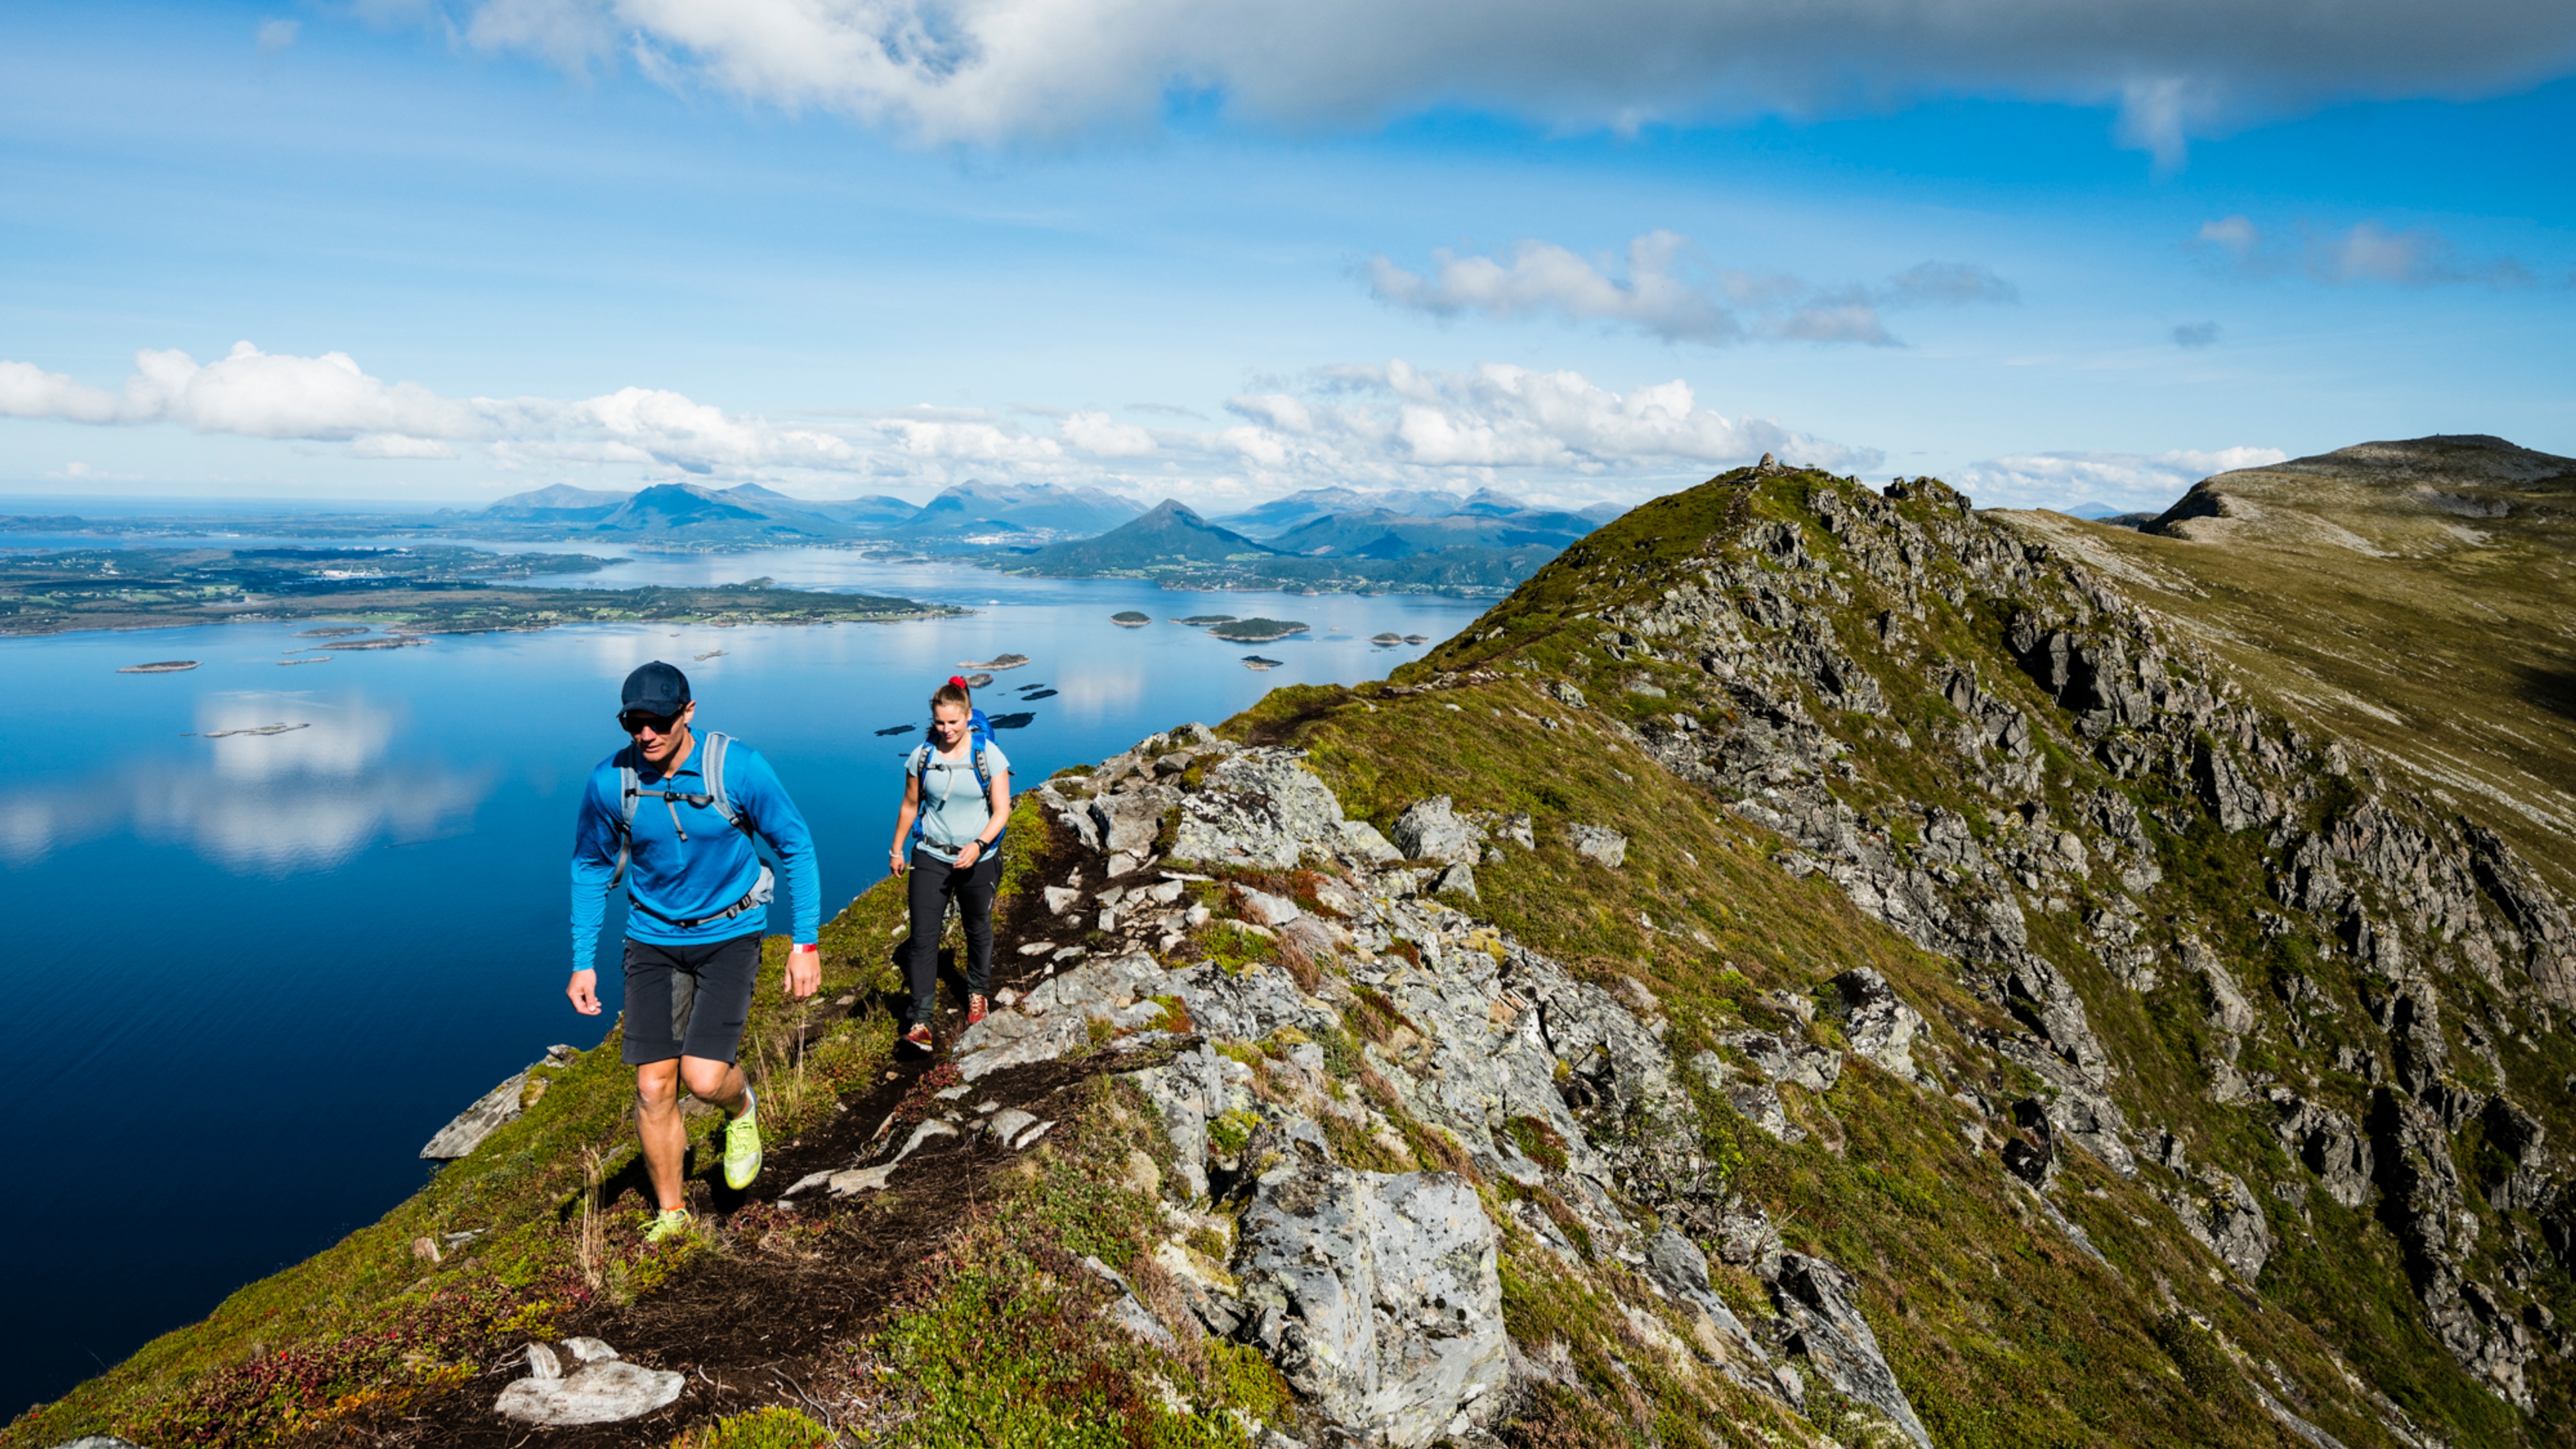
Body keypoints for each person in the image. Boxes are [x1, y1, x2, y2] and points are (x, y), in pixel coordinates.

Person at [568, 661, 821, 1241]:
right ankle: (672, 1215)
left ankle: (742, 1110)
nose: (645, 734)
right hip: (652, 938)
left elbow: (796, 847)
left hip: (730, 933)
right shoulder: (611, 782)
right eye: (633, 722)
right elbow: (589, 867)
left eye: (658, 720)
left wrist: (804, 941)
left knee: (704, 1079)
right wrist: (583, 960)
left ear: (689, 712)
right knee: (653, 1085)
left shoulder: (738, 768)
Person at [888, 676, 1012, 1051]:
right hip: (931, 854)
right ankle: (920, 1021)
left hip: (979, 857)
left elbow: (1003, 810)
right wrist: (896, 849)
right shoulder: (922, 757)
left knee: (977, 928)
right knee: (923, 938)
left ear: (968, 716)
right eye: (940, 723)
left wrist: (978, 844)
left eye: (954, 723)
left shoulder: (988, 755)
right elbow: (910, 805)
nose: (946, 730)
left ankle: (977, 993)